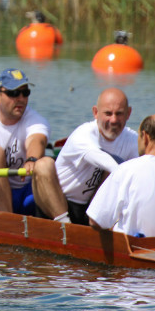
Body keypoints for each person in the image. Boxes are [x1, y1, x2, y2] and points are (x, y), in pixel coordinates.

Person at [0, 68, 60, 215]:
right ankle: (7, 220)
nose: (21, 98)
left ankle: (64, 223)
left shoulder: (36, 119)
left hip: (22, 194)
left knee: (46, 163)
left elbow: (37, 140)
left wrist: (32, 159)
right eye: (14, 93)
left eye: (25, 93)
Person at [40, 88, 139, 224]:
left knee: (114, 175)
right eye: (108, 113)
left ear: (128, 113)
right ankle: (65, 225)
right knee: (42, 165)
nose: (114, 120)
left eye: (119, 113)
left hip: (89, 208)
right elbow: (107, 162)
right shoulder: (83, 135)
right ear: (95, 113)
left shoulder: (132, 139)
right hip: (57, 202)